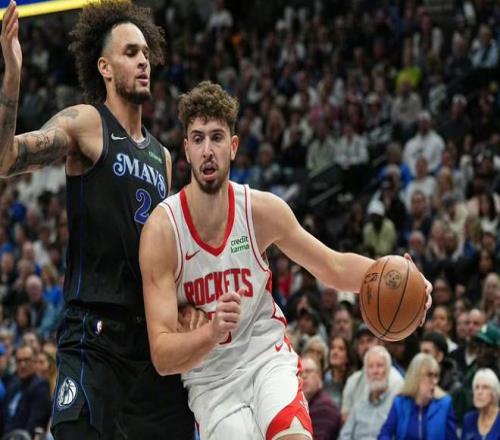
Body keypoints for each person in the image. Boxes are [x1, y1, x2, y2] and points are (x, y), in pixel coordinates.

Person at [139, 81, 432, 440]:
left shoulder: (261, 211)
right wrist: (210, 332)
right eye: (197, 139)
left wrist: (404, 281)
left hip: (266, 357)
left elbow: (334, 267)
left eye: (217, 137)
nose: (207, 150)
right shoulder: (163, 230)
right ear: (186, 149)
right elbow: (162, 356)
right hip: (211, 381)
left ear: (233, 146)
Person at [0, 1, 195, 439]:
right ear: (104, 68)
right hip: (94, 333)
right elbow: (5, 159)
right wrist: (12, 76)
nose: (143, 61)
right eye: (130, 52)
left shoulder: (163, 158)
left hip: (150, 341)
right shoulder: (88, 122)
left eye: (145, 52)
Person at [379, 353, 457, 440]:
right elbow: (384, 434)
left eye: (436, 376)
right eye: (429, 375)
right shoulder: (400, 403)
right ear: (416, 377)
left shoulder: (445, 404)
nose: (435, 381)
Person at [339, 346, 399, 440]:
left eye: (379, 366)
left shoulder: (396, 404)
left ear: (387, 370)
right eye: (371, 367)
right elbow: (344, 436)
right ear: (366, 372)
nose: (375, 371)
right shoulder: (359, 405)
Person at [0, 344, 51, 438]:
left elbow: (34, 425)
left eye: (26, 360)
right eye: (19, 361)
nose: (22, 365)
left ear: (35, 361)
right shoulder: (12, 386)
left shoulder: (41, 387)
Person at [301, 356, 341, 440]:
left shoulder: (324, 406)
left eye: (308, 371)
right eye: (300, 373)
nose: (303, 376)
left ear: (319, 375)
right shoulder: (307, 404)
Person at [461, 368, 500, 440]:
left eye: (485, 387)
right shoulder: (468, 419)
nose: (479, 392)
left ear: (494, 393)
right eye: (476, 387)